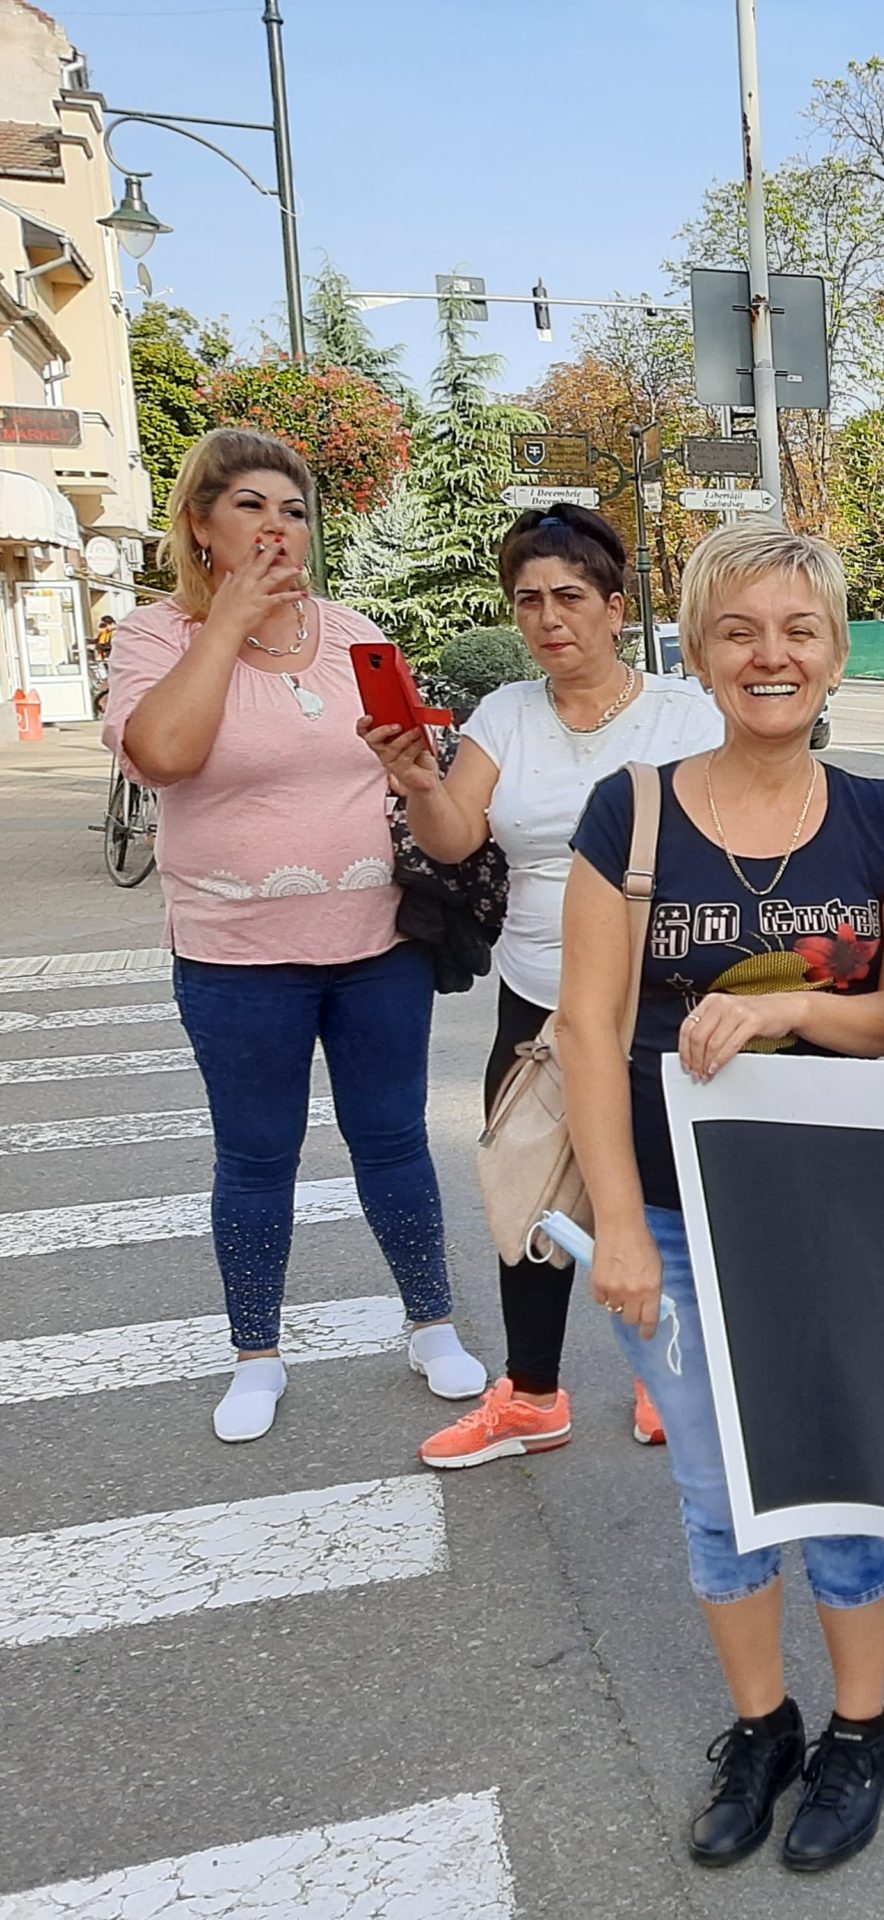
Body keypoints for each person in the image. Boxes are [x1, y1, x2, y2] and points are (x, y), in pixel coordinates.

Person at [556, 520, 884, 1875]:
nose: (771, 657)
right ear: (701, 651)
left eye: (799, 633)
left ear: (835, 655)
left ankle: (862, 1731)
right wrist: (612, 1225)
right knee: (719, 1490)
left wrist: (781, 1016)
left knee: (837, 1480)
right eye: (741, 632)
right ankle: (763, 1724)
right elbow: (587, 1031)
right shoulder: (634, 809)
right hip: (669, 1215)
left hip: (835, 1219)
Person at [103, 427, 486, 1443]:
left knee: (395, 1138)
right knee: (257, 1154)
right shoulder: (156, 638)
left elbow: (412, 773)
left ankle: (430, 1324)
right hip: (235, 955)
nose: (278, 527)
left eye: (295, 509)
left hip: (376, 944)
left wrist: (414, 758)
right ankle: (256, 1354)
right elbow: (164, 757)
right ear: (200, 524)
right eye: (250, 508)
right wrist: (223, 626)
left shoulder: (356, 629)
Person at [362, 504, 724, 1468]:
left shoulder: (686, 714)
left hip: (661, 995)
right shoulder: (505, 716)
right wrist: (418, 784)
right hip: (538, 997)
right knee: (529, 1194)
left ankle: (665, 1375)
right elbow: (453, 839)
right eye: (528, 600)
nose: (547, 618)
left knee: (654, 1195)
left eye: (569, 596)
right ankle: (530, 1394)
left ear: (615, 607)